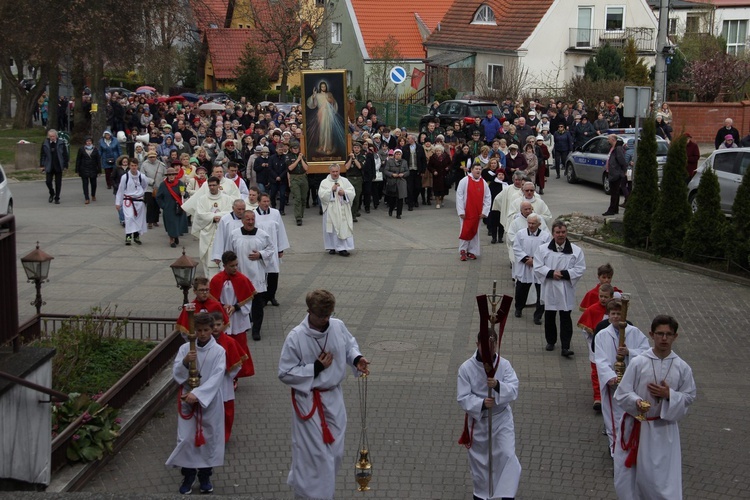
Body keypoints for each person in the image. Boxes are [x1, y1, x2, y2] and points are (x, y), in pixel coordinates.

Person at [278, 289, 370, 500]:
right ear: (309, 311)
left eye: (329, 315)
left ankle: (317, 489)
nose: (326, 320)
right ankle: (310, 495)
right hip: (308, 400)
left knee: (335, 453)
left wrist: (357, 359)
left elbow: (349, 346)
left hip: (333, 398)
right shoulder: (296, 337)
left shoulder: (337, 326)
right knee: (316, 455)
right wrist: (315, 369)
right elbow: (284, 372)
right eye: (321, 316)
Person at [613, 315, 696, 500]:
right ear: (651, 334)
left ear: (676, 336)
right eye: (660, 334)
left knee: (660, 481)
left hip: (663, 430)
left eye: (668, 334)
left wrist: (669, 396)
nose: (664, 338)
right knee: (629, 479)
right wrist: (636, 402)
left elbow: (689, 397)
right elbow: (622, 393)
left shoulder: (682, 367)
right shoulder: (638, 362)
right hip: (636, 427)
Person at [165, 313, 226, 495]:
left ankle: (205, 476)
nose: (202, 334)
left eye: (206, 330)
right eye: (198, 330)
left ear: (212, 330)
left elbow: (217, 377)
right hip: (187, 402)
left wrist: (198, 394)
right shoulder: (185, 349)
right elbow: (176, 373)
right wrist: (185, 363)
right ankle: (188, 476)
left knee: (208, 439)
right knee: (187, 440)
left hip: (209, 402)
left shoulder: (219, 351)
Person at [457, 331, 521, 500]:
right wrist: (482, 404)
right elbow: (463, 397)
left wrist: (498, 385)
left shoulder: (504, 365)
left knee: (507, 455)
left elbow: (513, 389)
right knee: (482, 464)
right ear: (476, 343)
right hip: (480, 422)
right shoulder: (466, 368)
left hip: (501, 419)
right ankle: (481, 496)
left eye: (492, 347)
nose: (488, 350)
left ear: (496, 345)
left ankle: (507, 495)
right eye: (484, 346)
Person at [594, 299, 650, 457]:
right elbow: (600, 359)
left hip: (631, 382)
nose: (616, 317)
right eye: (613, 314)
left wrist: (629, 352)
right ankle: (615, 449)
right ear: (608, 315)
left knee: (631, 415)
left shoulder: (634, 332)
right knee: (614, 417)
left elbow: (646, 351)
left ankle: (631, 446)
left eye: (619, 314)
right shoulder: (602, 335)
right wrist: (609, 376)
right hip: (613, 382)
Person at [534, 221, 586, 357]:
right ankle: (551, 341)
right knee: (550, 316)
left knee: (565, 317)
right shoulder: (543, 249)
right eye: (558, 232)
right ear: (553, 234)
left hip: (565, 288)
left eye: (563, 232)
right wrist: (551, 273)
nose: (561, 235)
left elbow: (580, 268)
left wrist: (564, 274)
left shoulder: (576, 251)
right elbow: (538, 266)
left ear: (566, 233)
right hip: (550, 286)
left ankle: (565, 346)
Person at [209, 251, 256, 387]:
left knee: (239, 346)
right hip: (223, 319)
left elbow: (248, 301)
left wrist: (235, 307)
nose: (235, 268)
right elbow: (213, 300)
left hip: (237, 320)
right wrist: (223, 306)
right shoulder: (217, 280)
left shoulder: (242, 279)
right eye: (231, 266)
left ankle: (236, 376)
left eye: (236, 265)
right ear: (224, 265)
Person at [227, 211, 275, 341]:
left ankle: (256, 330)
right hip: (240, 274)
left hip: (256, 274)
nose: (250, 221)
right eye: (247, 219)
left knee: (257, 304)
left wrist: (260, 254)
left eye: (252, 219)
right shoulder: (234, 234)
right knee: (240, 302)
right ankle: (241, 326)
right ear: (242, 220)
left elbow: (271, 249)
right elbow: (228, 252)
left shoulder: (262, 235)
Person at [576, 283, 615, 413]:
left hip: (611, 348)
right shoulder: (592, 309)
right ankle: (598, 397)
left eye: (606, 297)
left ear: (611, 297)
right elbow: (585, 330)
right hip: (596, 346)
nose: (603, 299)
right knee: (596, 372)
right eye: (601, 296)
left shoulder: (615, 311)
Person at [186, 176, 234, 278]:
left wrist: (218, 216)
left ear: (219, 185)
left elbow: (230, 212)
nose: (212, 187)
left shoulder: (227, 199)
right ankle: (210, 281)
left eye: (214, 185)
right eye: (210, 185)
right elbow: (200, 215)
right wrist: (213, 217)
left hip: (223, 234)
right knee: (209, 262)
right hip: (208, 234)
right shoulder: (202, 199)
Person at [513, 213, 551, 324]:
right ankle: (518, 308)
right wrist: (526, 260)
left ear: (539, 224)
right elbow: (516, 248)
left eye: (533, 223)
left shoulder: (545, 236)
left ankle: (538, 316)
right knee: (521, 290)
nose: (531, 225)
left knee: (541, 293)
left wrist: (535, 261)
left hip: (539, 267)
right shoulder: (520, 234)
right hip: (525, 266)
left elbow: (548, 252)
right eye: (529, 223)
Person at [255, 192, 289, 306]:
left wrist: (281, 248)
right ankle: (263, 297)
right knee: (262, 274)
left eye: (268, 201)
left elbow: (281, 231)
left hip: (273, 248)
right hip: (260, 249)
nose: (266, 204)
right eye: (264, 201)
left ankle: (271, 296)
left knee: (273, 273)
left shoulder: (275, 213)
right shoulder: (253, 215)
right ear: (258, 202)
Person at [455, 164, 492, 261]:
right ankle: (463, 250)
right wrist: (461, 211)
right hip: (466, 212)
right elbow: (459, 196)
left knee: (475, 232)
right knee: (465, 230)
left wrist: (485, 211)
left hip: (478, 213)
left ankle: (472, 251)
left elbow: (488, 198)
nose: (478, 171)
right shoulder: (464, 181)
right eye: (476, 169)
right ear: (472, 170)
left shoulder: (483, 182)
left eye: (480, 169)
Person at [318, 163, 355, 257]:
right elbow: (321, 195)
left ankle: (342, 248)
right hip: (331, 209)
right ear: (330, 172)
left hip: (342, 209)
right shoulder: (324, 182)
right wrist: (331, 191)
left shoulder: (345, 180)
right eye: (333, 172)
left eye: (337, 171)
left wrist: (344, 193)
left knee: (342, 227)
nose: (335, 174)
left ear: (339, 171)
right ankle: (332, 247)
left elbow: (352, 192)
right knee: (332, 229)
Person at [306, 81, 345, 157]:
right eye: (322, 86)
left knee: (328, 130)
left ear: (326, 87)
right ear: (320, 87)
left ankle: (328, 147)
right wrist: (313, 96)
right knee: (322, 130)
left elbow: (334, 103)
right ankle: (321, 146)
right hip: (321, 113)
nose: (323, 88)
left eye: (324, 86)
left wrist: (331, 101)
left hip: (328, 114)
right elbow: (313, 105)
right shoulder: (317, 95)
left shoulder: (329, 94)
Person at [115, 158, 149, 246]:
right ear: (129, 166)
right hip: (128, 200)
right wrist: (118, 202)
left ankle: (136, 236)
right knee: (129, 217)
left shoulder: (142, 177)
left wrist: (140, 194)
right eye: (132, 165)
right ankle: (128, 236)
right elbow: (121, 190)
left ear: (137, 166)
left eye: (135, 165)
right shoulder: (125, 177)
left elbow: (145, 186)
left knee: (138, 219)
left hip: (139, 201)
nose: (134, 167)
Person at [155, 166, 189, 247]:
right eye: (169, 175)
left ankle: (176, 235)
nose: (171, 176)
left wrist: (184, 194)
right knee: (171, 224)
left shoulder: (180, 183)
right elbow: (158, 197)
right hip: (169, 208)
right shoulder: (163, 185)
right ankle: (172, 239)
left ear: (175, 175)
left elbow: (186, 194)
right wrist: (163, 206)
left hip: (179, 207)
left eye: (173, 175)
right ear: (167, 176)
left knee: (178, 223)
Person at [39, 129, 69, 204]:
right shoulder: (45, 143)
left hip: (58, 165)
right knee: (48, 181)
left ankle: (57, 198)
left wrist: (65, 165)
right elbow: (42, 155)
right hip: (49, 165)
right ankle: (52, 193)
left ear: (56, 136)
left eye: (53, 136)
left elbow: (65, 155)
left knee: (58, 183)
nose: (52, 138)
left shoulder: (61, 143)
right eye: (50, 136)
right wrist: (42, 165)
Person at [603, 135, 627, 217]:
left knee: (614, 192)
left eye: (608, 139)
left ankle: (611, 209)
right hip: (612, 172)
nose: (607, 141)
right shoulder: (613, 148)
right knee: (615, 192)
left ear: (613, 139)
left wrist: (623, 171)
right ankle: (615, 209)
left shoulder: (618, 149)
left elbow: (622, 161)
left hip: (616, 173)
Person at [286, 141, 309, 226]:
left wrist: (301, 159)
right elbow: (290, 168)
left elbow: (306, 168)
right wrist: (298, 160)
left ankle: (301, 214)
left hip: (303, 177)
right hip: (294, 178)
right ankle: (298, 217)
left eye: (297, 148)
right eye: (294, 148)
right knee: (297, 198)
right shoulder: (288, 157)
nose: (296, 150)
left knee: (303, 198)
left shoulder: (302, 156)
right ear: (291, 149)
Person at [75, 136, 101, 205]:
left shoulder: (95, 149)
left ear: (92, 142)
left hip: (93, 168)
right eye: (87, 141)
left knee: (94, 184)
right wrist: (77, 170)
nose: (88, 142)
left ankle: (93, 194)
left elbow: (98, 160)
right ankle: (86, 198)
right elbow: (78, 160)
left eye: (90, 141)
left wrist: (99, 170)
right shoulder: (81, 149)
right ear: (85, 142)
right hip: (84, 168)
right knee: (85, 184)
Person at [343, 141, 365, 221]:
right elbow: (347, 167)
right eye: (355, 148)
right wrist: (351, 158)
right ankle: (348, 213)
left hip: (358, 179)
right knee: (349, 197)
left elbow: (360, 166)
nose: (356, 149)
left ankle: (354, 214)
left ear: (360, 149)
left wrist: (354, 159)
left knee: (356, 197)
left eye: (358, 148)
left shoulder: (362, 157)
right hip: (350, 179)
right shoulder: (349, 157)